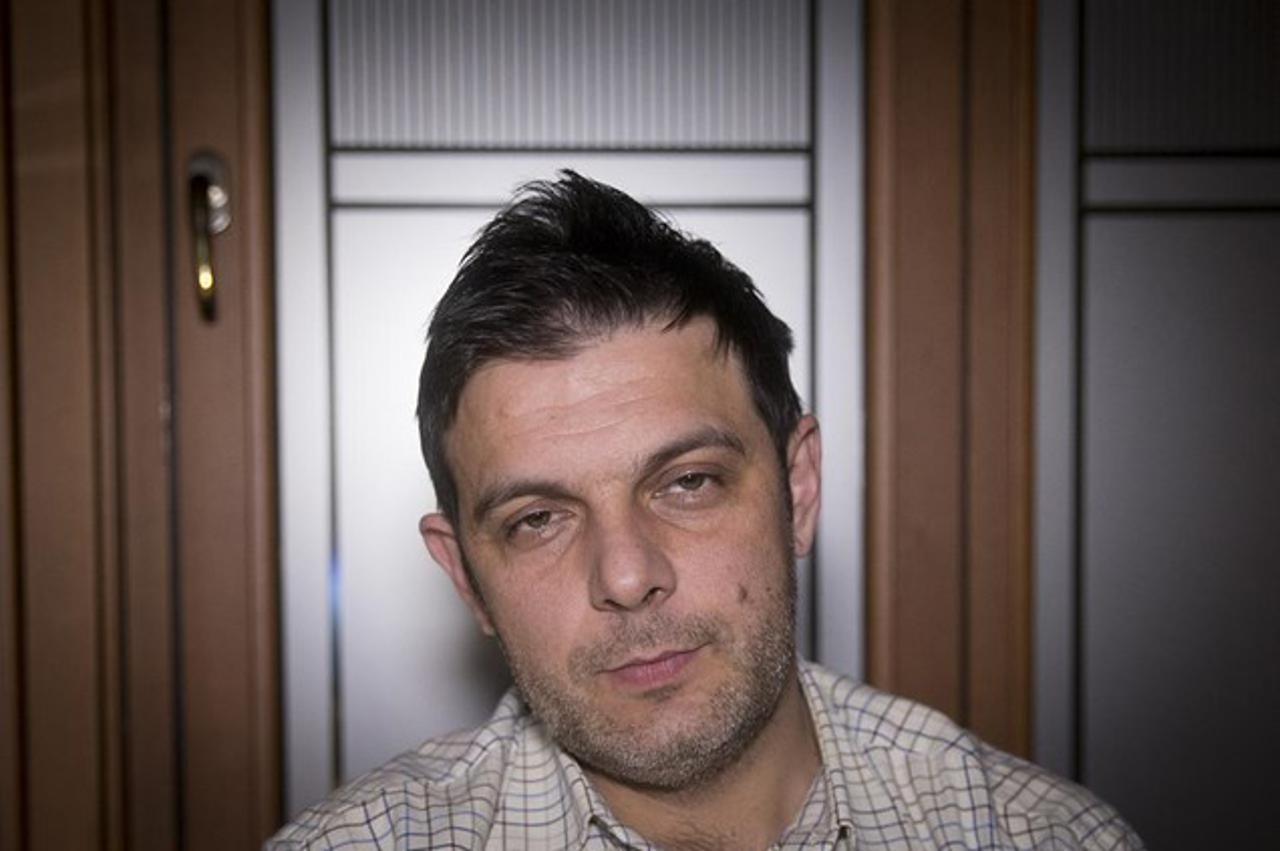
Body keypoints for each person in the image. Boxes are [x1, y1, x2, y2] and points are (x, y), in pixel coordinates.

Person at [269, 172, 1141, 850]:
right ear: (466, 578)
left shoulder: (1039, 837)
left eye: (687, 482)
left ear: (799, 489)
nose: (627, 575)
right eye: (537, 519)